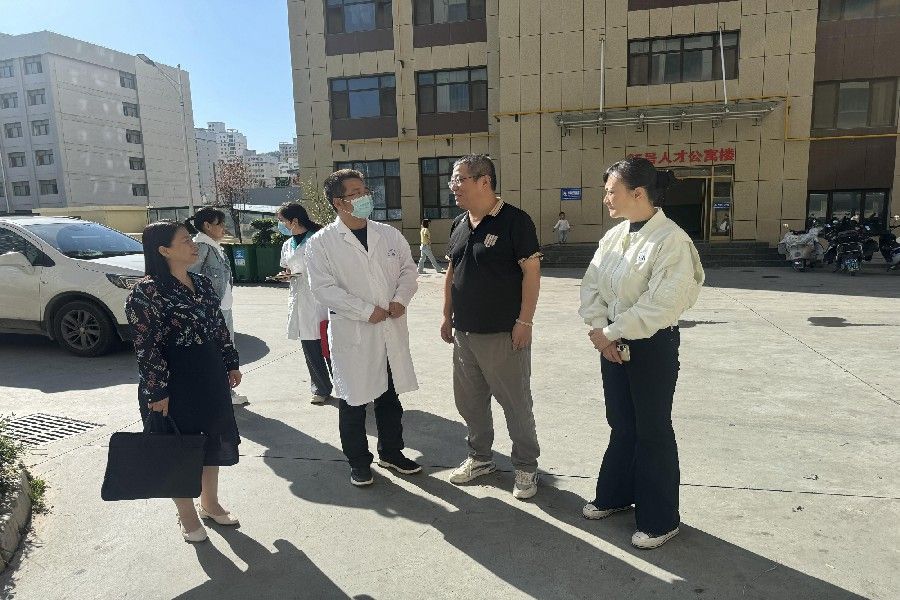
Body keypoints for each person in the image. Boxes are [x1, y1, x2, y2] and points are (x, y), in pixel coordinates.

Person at [578, 157, 704, 549]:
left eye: (611, 192)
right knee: (621, 422)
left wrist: (610, 333)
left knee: (652, 428)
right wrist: (602, 332)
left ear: (637, 193)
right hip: (611, 343)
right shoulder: (614, 237)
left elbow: (661, 304)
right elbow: (592, 285)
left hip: (651, 346)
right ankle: (617, 495)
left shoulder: (671, 240)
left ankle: (661, 519)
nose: (606, 199)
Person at [126, 221, 244, 543]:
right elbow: (146, 345)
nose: (193, 246)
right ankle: (186, 514)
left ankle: (210, 503)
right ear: (164, 250)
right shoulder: (145, 292)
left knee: (211, 439)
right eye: (185, 241)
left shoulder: (201, 283)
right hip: (172, 380)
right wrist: (157, 389)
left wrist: (230, 361)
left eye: (192, 239)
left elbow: (218, 326)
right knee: (178, 447)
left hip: (208, 373)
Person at [305, 169, 421, 487]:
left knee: (389, 398)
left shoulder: (388, 234)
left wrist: (400, 299)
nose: (365, 197)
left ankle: (392, 453)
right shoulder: (322, 243)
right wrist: (366, 311)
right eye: (355, 193)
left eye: (364, 190)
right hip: (354, 334)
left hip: (389, 329)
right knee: (353, 401)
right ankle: (358, 462)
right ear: (338, 202)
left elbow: (408, 271)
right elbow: (323, 290)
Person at [439, 154, 543, 500]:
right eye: (453, 180)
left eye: (459, 179)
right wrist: (446, 315)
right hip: (465, 333)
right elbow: (452, 272)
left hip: (503, 333)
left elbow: (531, 273)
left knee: (515, 404)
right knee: (470, 402)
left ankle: (526, 466)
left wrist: (524, 321)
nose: (453, 186)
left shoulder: (515, 221)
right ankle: (480, 457)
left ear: (484, 181)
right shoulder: (459, 223)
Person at [186, 207, 248, 405]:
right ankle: (223, 394)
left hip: (223, 307)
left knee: (226, 350)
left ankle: (225, 392)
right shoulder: (201, 247)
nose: (223, 228)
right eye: (220, 223)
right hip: (213, 311)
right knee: (219, 352)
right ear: (207, 225)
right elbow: (191, 278)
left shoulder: (214, 246)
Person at [276, 202, 332, 404]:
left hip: (321, 301)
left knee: (329, 347)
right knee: (310, 347)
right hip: (300, 301)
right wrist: (285, 276)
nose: (281, 225)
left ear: (294, 220)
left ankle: (345, 386)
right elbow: (288, 269)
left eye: (282, 221)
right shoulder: (287, 244)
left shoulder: (319, 239)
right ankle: (320, 389)